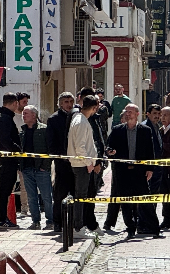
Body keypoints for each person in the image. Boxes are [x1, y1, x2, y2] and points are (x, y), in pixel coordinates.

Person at [106, 104, 159, 239]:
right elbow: (108, 146)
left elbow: (150, 151)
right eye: (126, 112)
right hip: (122, 172)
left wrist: (150, 169)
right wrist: (110, 152)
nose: (127, 114)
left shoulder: (145, 130)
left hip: (139, 172)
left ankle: (153, 227)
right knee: (126, 202)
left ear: (137, 114)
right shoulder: (117, 130)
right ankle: (130, 227)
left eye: (130, 112)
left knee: (145, 199)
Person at [67, 94, 103, 239]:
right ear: (94, 108)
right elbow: (80, 147)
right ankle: (78, 227)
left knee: (81, 196)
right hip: (81, 165)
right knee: (80, 197)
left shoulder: (80, 119)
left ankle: (79, 226)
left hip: (81, 164)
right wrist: (89, 163)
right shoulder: (81, 122)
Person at [20, 106, 53, 230]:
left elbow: (49, 149)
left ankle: (50, 221)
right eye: (23, 114)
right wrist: (21, 166)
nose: (24, 116)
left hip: (41, 169)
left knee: (46, 196)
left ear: (34, 115)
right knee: (31, 196)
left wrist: (45, 166)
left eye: (26, 113)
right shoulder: (22, 131)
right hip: (27, 169)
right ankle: (36, 221)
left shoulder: (44, 130)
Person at [47, 92, 76, 233]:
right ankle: (57, 222)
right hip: (62, 163)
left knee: (77, 193)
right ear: (60, 103)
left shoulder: (77, 116)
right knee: (60, 194)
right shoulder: (54, 119)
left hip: (77, 162)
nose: (69, 104)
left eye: (71, 101)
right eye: (66, 101)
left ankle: (75, 222)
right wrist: (59, 156)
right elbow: (51, 142)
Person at [0, 93, 22, 229]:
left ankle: (1, 218)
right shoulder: (5, 119)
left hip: (6, 161)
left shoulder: (4, 117)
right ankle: (1, 219)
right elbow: (5, 139)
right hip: (7, 161)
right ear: (14, 104)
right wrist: (17, 149)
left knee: (4, 191)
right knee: (4, 191)